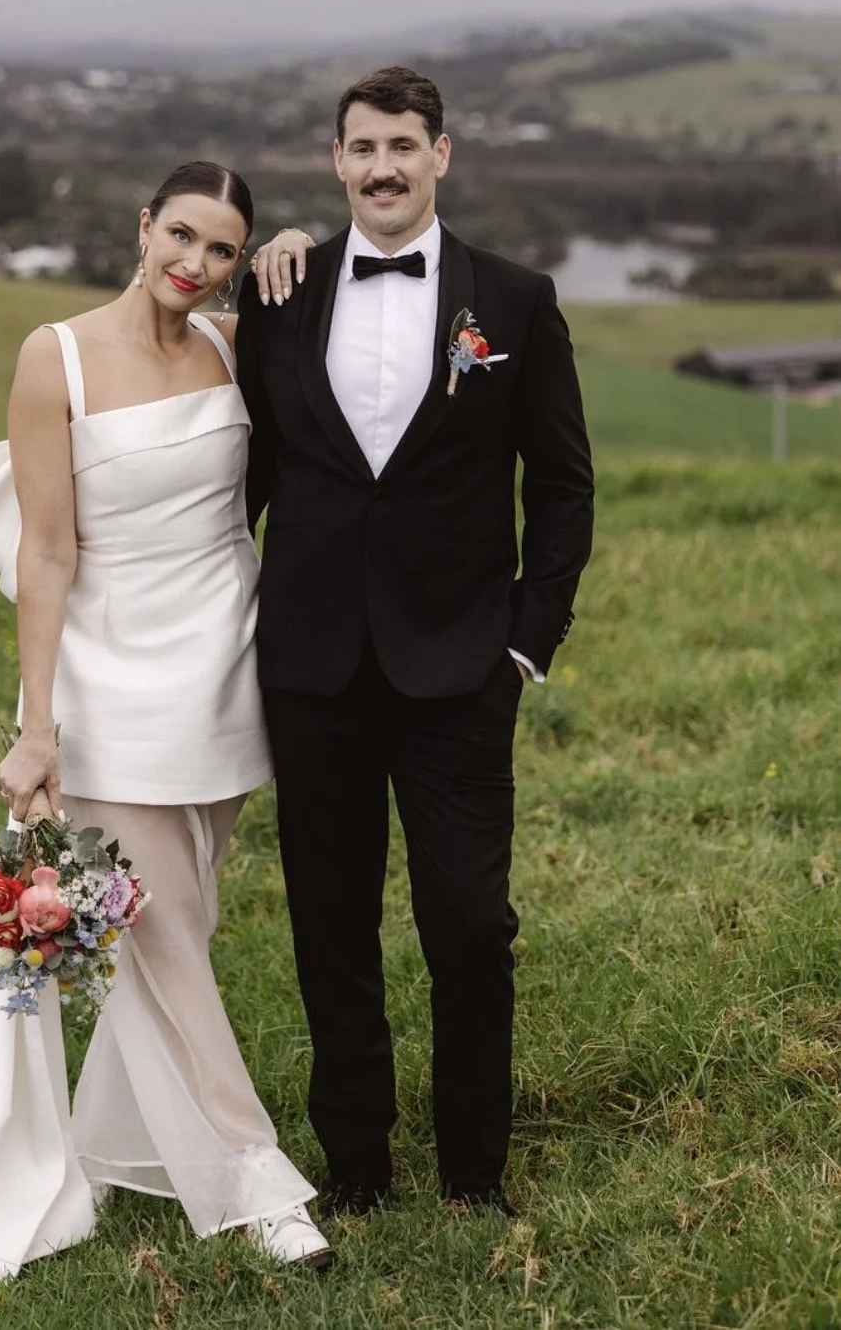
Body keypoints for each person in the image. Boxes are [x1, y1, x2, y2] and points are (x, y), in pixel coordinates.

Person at [0, 161, 332, 1279]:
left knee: (188, 928)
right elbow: (47, 548)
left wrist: (298, 240)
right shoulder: (54, 354)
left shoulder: (229, 342)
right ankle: (254, 1177)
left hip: (228, 668)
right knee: (161, 935)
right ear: (141, 226)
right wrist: (38, 724)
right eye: (181, 235)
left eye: (222, 249)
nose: (196, 264)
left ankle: (126, 1140)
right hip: (110, 681)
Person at [237, 67, 594, 1216]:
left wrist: (528, 641)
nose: (382, 167)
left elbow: (566, 484)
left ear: (443, 154)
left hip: (460, 669)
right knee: (328, 927)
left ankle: (474, 1173)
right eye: (361, 148)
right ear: (335, 161)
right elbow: (241, 480)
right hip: (313, 668)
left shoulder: (520, 300)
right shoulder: (281, 293)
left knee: (470, 924)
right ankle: (354, 1170)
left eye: (403, 145)